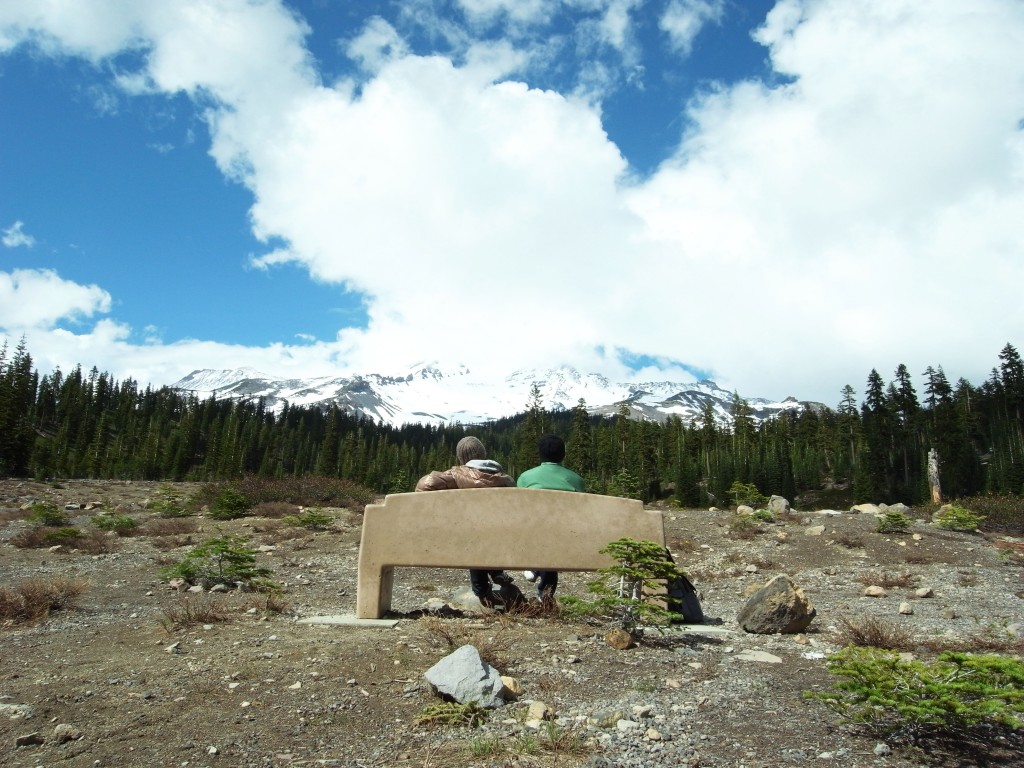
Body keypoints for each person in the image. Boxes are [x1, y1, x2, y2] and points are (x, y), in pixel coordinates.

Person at [414, 435, 516, 607]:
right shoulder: (506, 479)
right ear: (484, 454)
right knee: (486, 532)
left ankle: (481, 590)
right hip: (500, 537)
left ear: (461, 457)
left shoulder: (456, 475)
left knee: (474, 534)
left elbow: (426, 484)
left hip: (468, 537)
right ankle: (497, 572)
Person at [516, 433, 585, 600]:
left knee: (540, 535)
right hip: (564, 535)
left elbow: (518, 509)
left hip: (532, 533)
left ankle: (534, 567)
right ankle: (544, 593)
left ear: (540, 454)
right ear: (563, 455)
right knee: (551, 541)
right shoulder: (576, 479)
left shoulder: (526, 477)